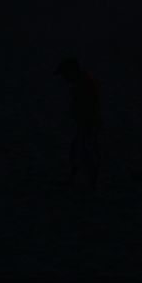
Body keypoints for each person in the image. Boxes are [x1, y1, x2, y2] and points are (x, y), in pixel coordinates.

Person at [55, 57, 101, 188]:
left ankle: (89, 183)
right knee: (80, 150)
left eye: (64, 74)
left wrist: (86, 122)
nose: (64, 78)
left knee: (86, 151)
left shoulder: (83, 83)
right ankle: (77, 180)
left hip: (88, 122)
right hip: (87, 122)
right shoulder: (82, 81)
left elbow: (89, 106)